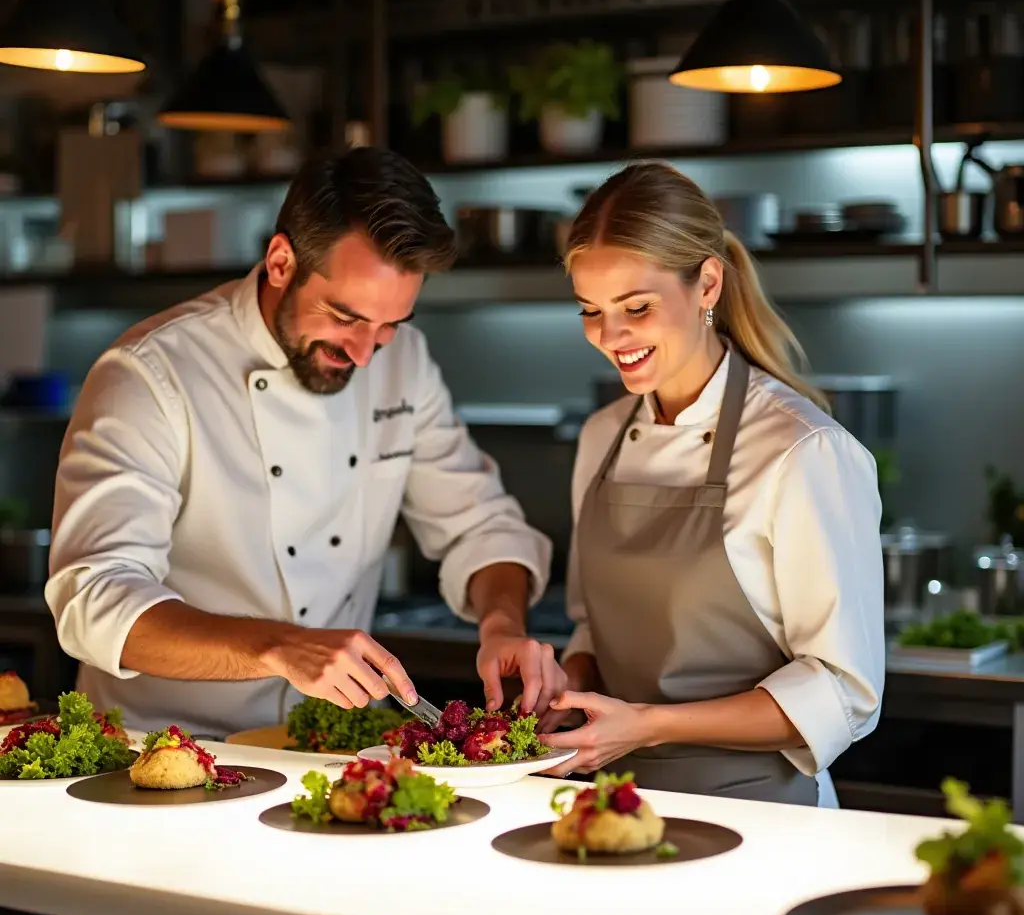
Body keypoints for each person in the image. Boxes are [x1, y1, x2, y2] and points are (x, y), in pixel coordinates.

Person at [45, 146, 563, 737]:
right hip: (166, 751)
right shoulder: (150, 374)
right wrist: (279, 647)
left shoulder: (405, 365)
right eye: (345, 316)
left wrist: (502, 625)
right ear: (281, 261)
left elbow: (480, 525)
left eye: (391, 324)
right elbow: (95, 599)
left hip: (335, 744)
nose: (367, 353)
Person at [536, 161, 885, 807]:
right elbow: (595, 629)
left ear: (707, 284)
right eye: (592, 310)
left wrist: (649, 726)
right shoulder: (601, 437)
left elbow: (845, 690)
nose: (611, 337)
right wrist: (566, 687)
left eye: (637, 307)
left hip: (764, 815)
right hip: (615, 808)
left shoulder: (803, 450)